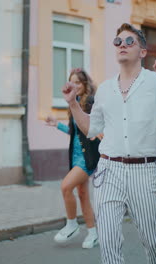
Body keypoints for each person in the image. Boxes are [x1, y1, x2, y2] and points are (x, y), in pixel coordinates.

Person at [62, 23, 156, 264]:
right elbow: (91, 129)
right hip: (108, 170)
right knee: (108, 241)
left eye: (129, 42)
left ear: (142, 52)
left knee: (152, 241)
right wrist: (73, 103)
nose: (122, 45)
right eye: (118, 42)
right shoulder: (104, 89)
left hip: (143, 172)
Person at [46, 68, 101, 249]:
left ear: (85, 84)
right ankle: (93, 234)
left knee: (65, 186)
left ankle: (72, 224)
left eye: (78, 82)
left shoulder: (91, 102)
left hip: (88, 157)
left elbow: (97, 127)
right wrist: (57, 125)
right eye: (72, 82)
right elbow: (74, 132)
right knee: (83, 194)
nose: (74, 85)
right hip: (76, 156)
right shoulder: (74, 103)